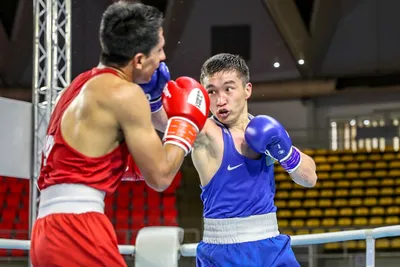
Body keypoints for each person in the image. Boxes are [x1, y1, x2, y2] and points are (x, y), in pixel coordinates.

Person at [29, 2, 210, 267]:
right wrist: (185, 125)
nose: (163, 58)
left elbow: (80, 158)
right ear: (138, 60)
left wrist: (155, 102)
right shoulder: (124, 94)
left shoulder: (77, 87)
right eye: (159, 50)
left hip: (46, 230)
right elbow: (160, 177)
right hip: (78, 230)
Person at [191, 53, 318, 266]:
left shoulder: (264, 131)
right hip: (224, 252)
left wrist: (286, 154)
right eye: (211, 92)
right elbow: (167, 119)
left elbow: (309, 178)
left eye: (228, 89)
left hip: (272, 246)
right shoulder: (206, 133)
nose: (220, 100)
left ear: (247, 90)